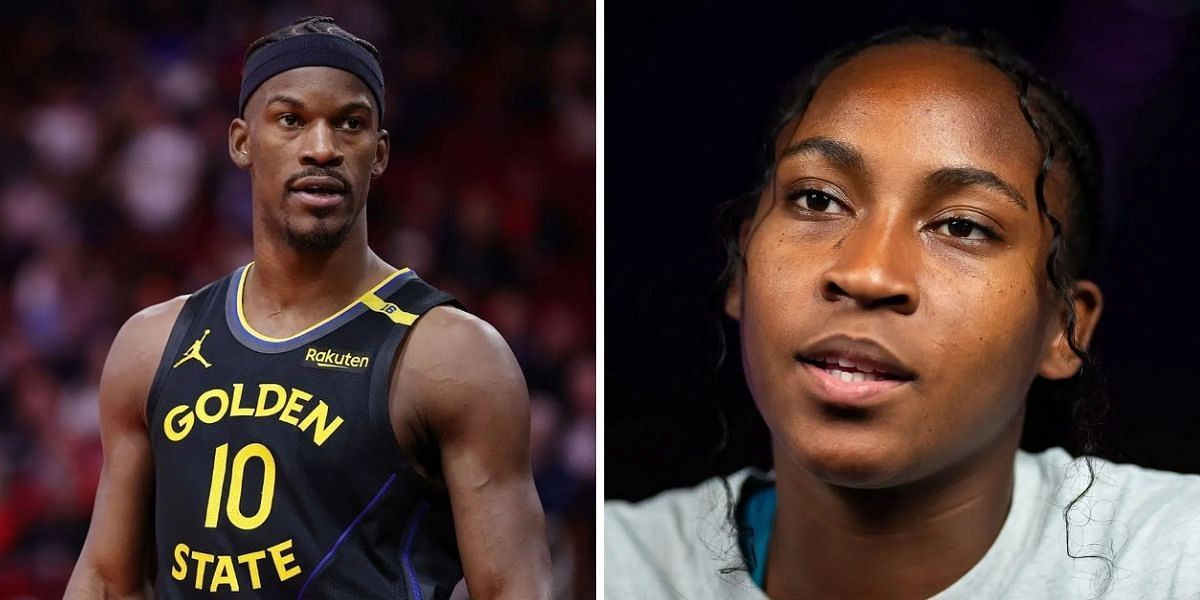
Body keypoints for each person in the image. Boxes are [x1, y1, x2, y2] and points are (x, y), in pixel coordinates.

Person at [605, 25, 1200, 599]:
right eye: (818, 199)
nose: (867, 274)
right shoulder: (614, 569)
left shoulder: (1175, 558)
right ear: (740, 268)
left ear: (1062, 330)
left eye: (962, 226)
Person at [65, 16, 551, 599]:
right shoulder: (152, 343)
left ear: (380, 152)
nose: (322, 148)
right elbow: (104, 580)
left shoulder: (454, 355)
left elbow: (515, 589)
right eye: (291, 121)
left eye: (350, 125)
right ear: (243, 142)